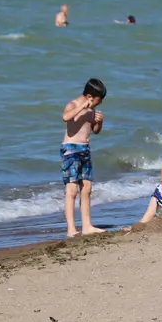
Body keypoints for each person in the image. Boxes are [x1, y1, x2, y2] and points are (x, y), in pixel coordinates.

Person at [60, 79, 107, 238]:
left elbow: (95, 130)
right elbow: (65, 117)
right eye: (99, 100)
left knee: (86, 188)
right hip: (71, 149)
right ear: (89, 97)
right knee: (72, 190)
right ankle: (71, 229)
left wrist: (99, 122)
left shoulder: (92, 110)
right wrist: (81, 107)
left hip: (85, 149)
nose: (100, 104)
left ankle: (87, 226)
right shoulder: (73, 105)